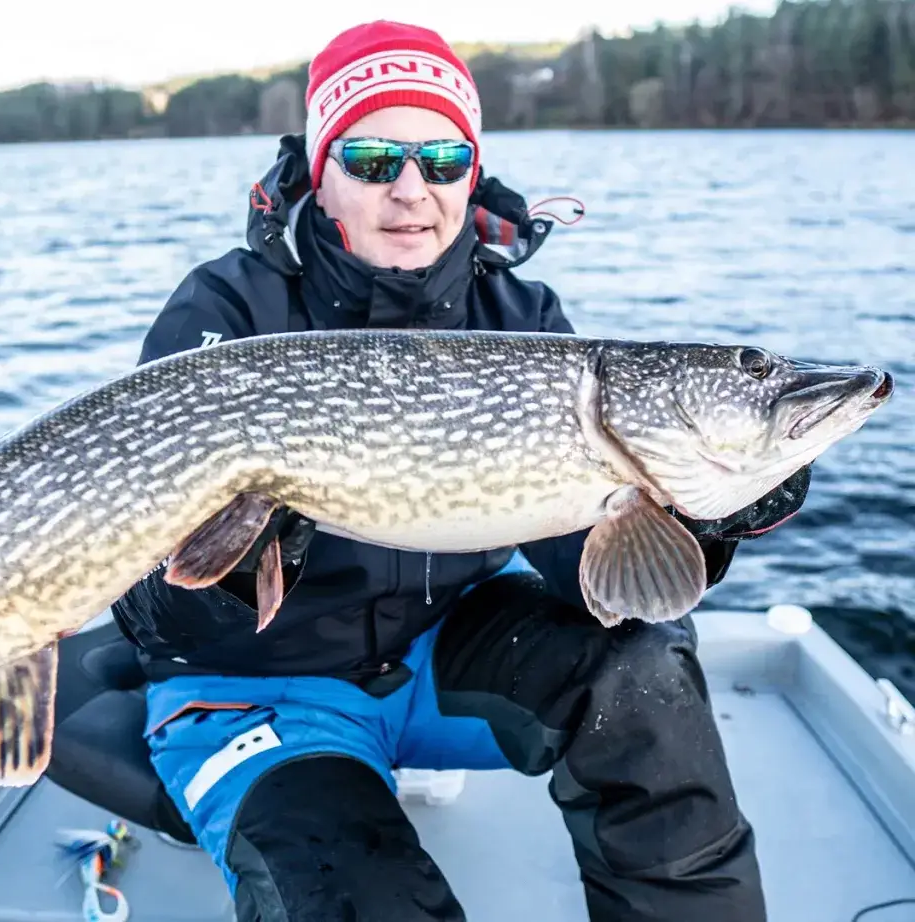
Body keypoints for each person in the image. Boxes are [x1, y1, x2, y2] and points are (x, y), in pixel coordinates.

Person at [110, 20, 810, 922]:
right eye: (371, 158)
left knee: (641, 663)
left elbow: (583, 561)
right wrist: (231, 567)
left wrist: (702, 517)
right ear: (322, 175)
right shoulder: (226, 310)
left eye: (443, 159)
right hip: (254, 686)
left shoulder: (518, 314)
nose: (412, 191)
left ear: (471, 172)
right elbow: (148, 610)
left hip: (442, 654)